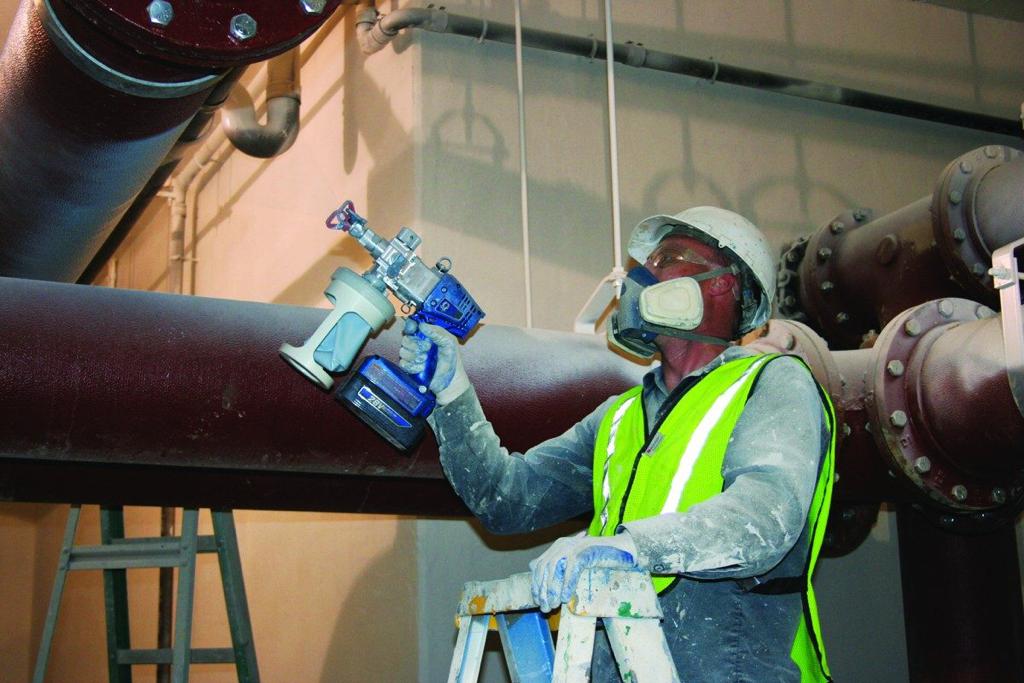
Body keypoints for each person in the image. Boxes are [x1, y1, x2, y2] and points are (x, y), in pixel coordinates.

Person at [399, 207, 836, 682]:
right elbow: (507, 499)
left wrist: (628, 548)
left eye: (666, 258)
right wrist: (451, 391)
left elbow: (764, 517)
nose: (640, 277)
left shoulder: (771, 382)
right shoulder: (620, 415)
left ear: (721, 284)